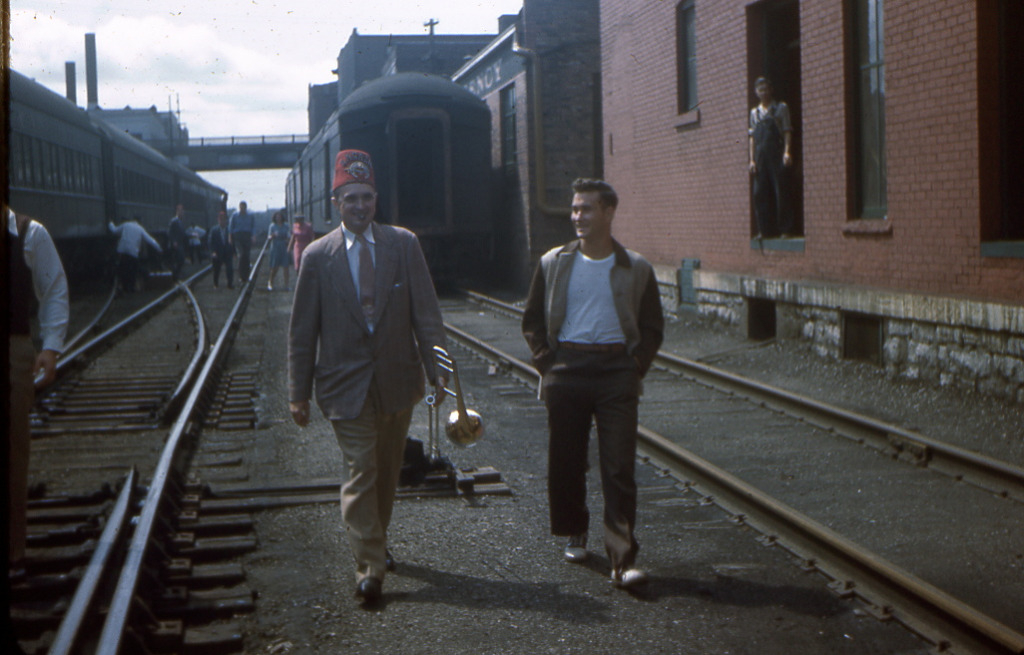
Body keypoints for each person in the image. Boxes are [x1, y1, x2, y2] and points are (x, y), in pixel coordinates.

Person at [288, 149, 448, 605]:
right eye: (351, 198)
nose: (360, 206)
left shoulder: (404, 244)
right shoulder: (318, 257)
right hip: (344, 386)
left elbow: (428, 316)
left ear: (376, 199)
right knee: (361, 470)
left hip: (398, 380)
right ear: (336, 202)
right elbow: (302, 331)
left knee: (387, 471)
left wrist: (438, 369)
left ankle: (375, 543)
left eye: (367, 197)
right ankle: (370, 568)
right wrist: (297, 392)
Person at [521, 178, 664, 589]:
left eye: (586, 209)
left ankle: (622, 559)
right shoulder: (554, 262)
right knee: (566, 459)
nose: (577, 216)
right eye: (574, 209)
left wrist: (635, 365)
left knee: (619, 465)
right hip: (568, 367)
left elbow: (653, 326)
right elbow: (532, 320)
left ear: (608, 213)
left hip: (616, 370)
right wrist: (548, 363)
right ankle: (574, 529)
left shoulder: (636, 267)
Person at [6, 207, 69, 578]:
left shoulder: (29, 233)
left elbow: (54, 287)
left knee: (14, 449)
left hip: (13, 348)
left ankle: (14, 552)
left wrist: (50, 345)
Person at [748, 76, 795, 239]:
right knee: (759, 193)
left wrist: (787, 152)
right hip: (760, 157)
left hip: (777, 154)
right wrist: (752, 160)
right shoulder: (754, 113)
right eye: (760, 89)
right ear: (756, 92)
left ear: (771, 90)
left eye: (766, 88)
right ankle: (765, 231)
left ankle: (785, 229)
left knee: (780, 190)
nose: (763, 92)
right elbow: (752, 138)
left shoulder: (781, 108)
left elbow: (787, 131)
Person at [109, 217, 162, 293]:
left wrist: (110, 223)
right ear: (139, 222)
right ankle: (130, 288)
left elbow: (114, 230)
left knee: (122, 269)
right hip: (133, 253)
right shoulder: (140, 228)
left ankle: (120, 286)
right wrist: (159, 249)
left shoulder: (126, 224)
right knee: (132, 271)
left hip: (122, 251)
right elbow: (150, 240)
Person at [229, 201, 254, 284]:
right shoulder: (235, 215)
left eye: (244, 207)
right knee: (241, 254)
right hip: (238, 236)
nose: (242, 208)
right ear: (239, 207)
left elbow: (253, 226)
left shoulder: (250, 216)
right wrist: (230, 237)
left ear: (246, 207)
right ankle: (241, 275)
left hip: (247, 235)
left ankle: (246, 275)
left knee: (247, 255)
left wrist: (253, 236)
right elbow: (231, 227)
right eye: (241, 207)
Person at [207, 211, 234, 289]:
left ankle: (230, 284)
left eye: (224, 219)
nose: (222, 221)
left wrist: (234, 252)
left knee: (229, 269)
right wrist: (213, 252)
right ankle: (216, 284)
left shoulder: (229, 230)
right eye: (221, 219)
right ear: (218, 220)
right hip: (217, 253)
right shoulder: (214, 230)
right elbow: (210, 242)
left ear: (226, 220)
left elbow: (233, 241)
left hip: (227, 253)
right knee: (216, 270)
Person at [265, 211, 291, 291]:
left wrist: (288, 239)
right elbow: (269, 237)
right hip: (275, 246)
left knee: (286, 267)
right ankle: (270, 282)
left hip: (284, 246)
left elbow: (289, 235)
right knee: (274, 267)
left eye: (280, 216)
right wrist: (272, 236)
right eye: (277, 217)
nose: (278, 218)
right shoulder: (272, 226)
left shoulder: (286, 225)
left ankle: (286, 285)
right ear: (275, 218)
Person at [167, 204, 188, 280]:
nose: (182, 213)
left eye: (182, 211)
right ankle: (175, 275)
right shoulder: (174, 221)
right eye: (181, 211)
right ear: (177, 212)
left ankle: (177, 274)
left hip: (180, 244)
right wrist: (173, 241)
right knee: (179, 259)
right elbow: (169, 232)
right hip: (176, 244)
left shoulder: (180, 222)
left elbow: (183, 233)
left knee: (181, 259)